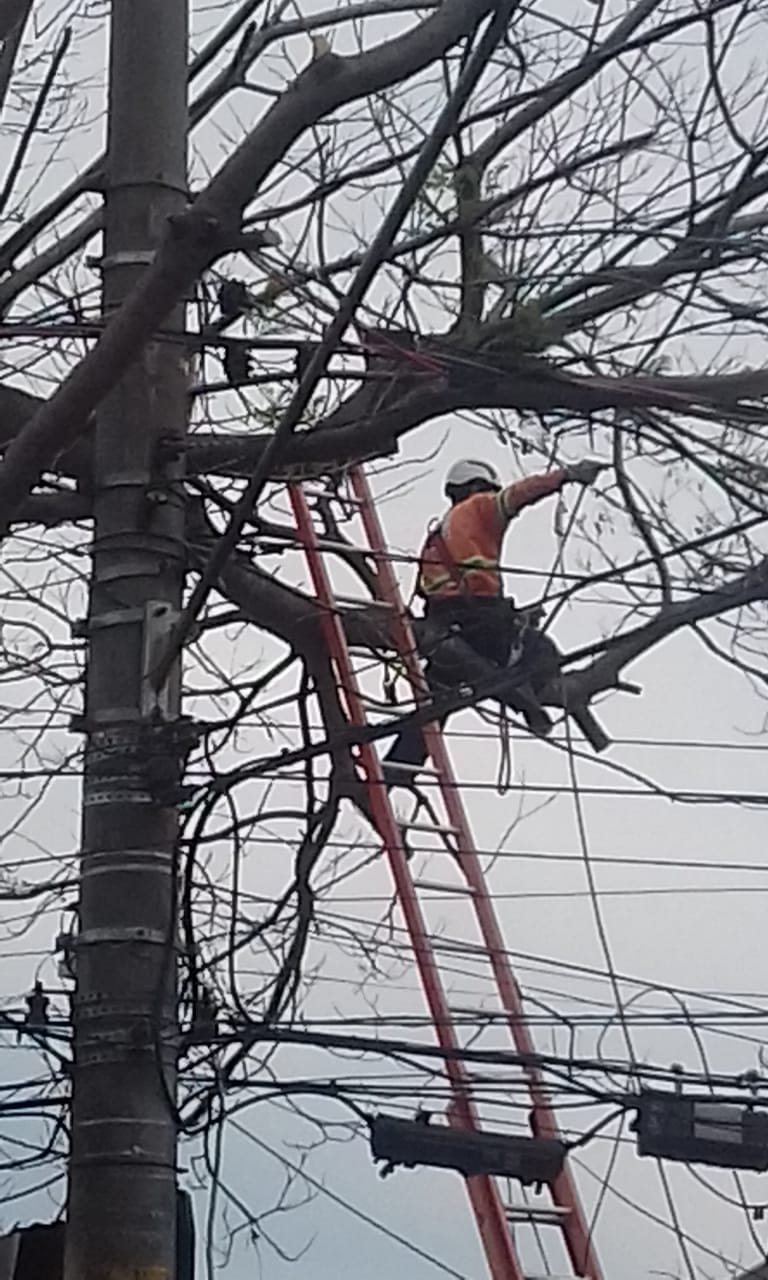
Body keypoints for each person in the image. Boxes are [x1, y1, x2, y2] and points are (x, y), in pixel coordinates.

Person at [382, 456, 606, 784]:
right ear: (478, 485)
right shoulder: (481, 507)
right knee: (542, 650)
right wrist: (566, 475)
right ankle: (529, 701)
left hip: (445, 625)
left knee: (434, 706)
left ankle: (394, 771)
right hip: (475, 618)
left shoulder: (439, 533)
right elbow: (517, 495)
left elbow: (441, 588)